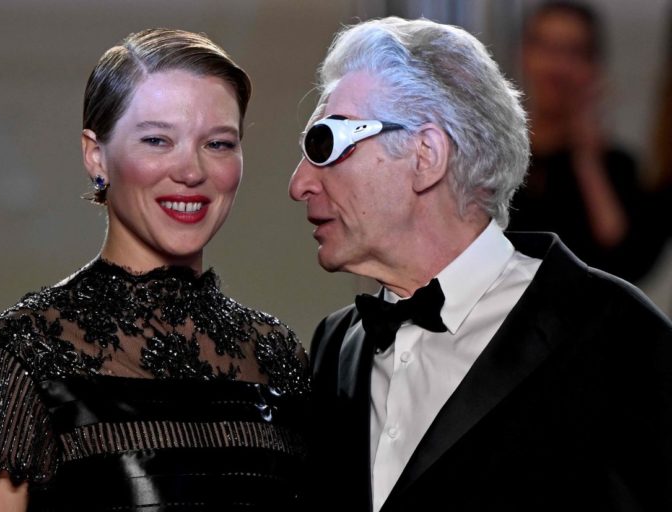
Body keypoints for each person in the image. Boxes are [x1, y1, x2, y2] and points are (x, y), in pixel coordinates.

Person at [288, 16, 672, 512]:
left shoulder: (616, 335)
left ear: (426, 154)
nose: (299, 184)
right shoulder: (338, 345)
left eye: (324, 144)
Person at [0, 28, 310, 512]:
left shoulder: (278, 357)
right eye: (157, 140)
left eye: (219, 144)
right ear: (96, 156)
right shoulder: (22, 356)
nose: (191, 171)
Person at [508, 1, 657, 283]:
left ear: (594, 65)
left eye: (573, 52)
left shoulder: (618, 167)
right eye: (547, 48)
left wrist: (587, 160)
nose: (557, 67)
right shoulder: (494, 158)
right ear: (524, 55)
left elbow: (628, 263)